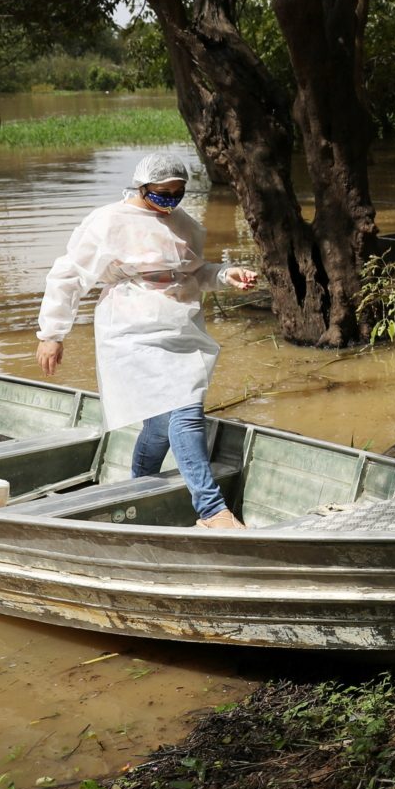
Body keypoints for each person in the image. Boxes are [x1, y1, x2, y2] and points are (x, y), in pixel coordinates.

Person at [36, 151, 260, 530]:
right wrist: (52, 334)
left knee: (161, 423)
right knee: (185, 410)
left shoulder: (181, 223)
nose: (170, 200)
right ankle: (212, 511)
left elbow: (194, 272)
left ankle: (138, 487)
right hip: (131, 326)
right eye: (162, 193)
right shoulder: (109, 221)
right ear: (142, 187)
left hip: (180, 325)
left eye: (177, 192)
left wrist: (225, 274)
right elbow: (68, 276)